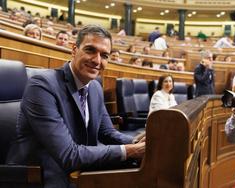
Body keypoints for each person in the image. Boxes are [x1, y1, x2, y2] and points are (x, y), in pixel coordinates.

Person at [6, 25, 145, 188]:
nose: (97, 60)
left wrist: (138, 142)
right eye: (90, 50)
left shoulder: (94, 87)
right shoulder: (42, 85)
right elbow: (68, 154)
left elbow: (107, 132)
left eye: (104, 55)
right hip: (39, 177)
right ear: (74, 50)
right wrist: (131, 150)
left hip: (78, 171)